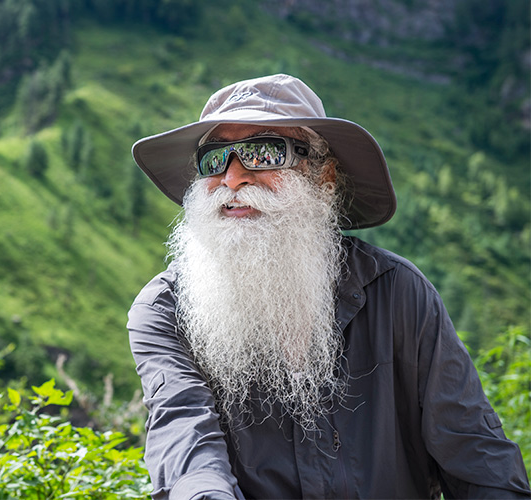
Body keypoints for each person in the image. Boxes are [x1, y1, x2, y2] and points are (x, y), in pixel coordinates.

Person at [127, 74, 530, 499]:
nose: (232, 178)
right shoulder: (166, 310)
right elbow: (187, 446)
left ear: (325, 177)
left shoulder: (399, 293)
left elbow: (478, 459)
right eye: (214, 159)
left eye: (264, 153)